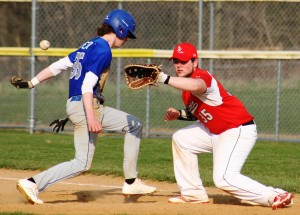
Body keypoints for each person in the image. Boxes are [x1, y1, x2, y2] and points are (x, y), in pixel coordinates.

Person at [12, 9, 156, 204]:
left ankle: (131, 181)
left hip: (78, 104)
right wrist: (89, 117)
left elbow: (59, 65)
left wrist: (32, 82)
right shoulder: (104, 50)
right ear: (120, 30)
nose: (128, 39)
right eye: (128, 34)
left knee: (134, 124)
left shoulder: (88, 45)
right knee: (82, 163)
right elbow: (87, 85)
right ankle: (33, 183)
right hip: (87, 106)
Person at [155, 42, 294, 209]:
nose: (178, 65)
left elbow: (197, 86)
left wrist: (163, 78)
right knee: (181, 139)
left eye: (183, 61)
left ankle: (275, 195)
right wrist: (179, 114)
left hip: (237, 129)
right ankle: (193, 194)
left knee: (223, 178)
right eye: (176, 61)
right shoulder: (185, 91)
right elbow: (197, 113)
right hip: (216, 131)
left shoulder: (202, 76)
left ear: (195, 62)